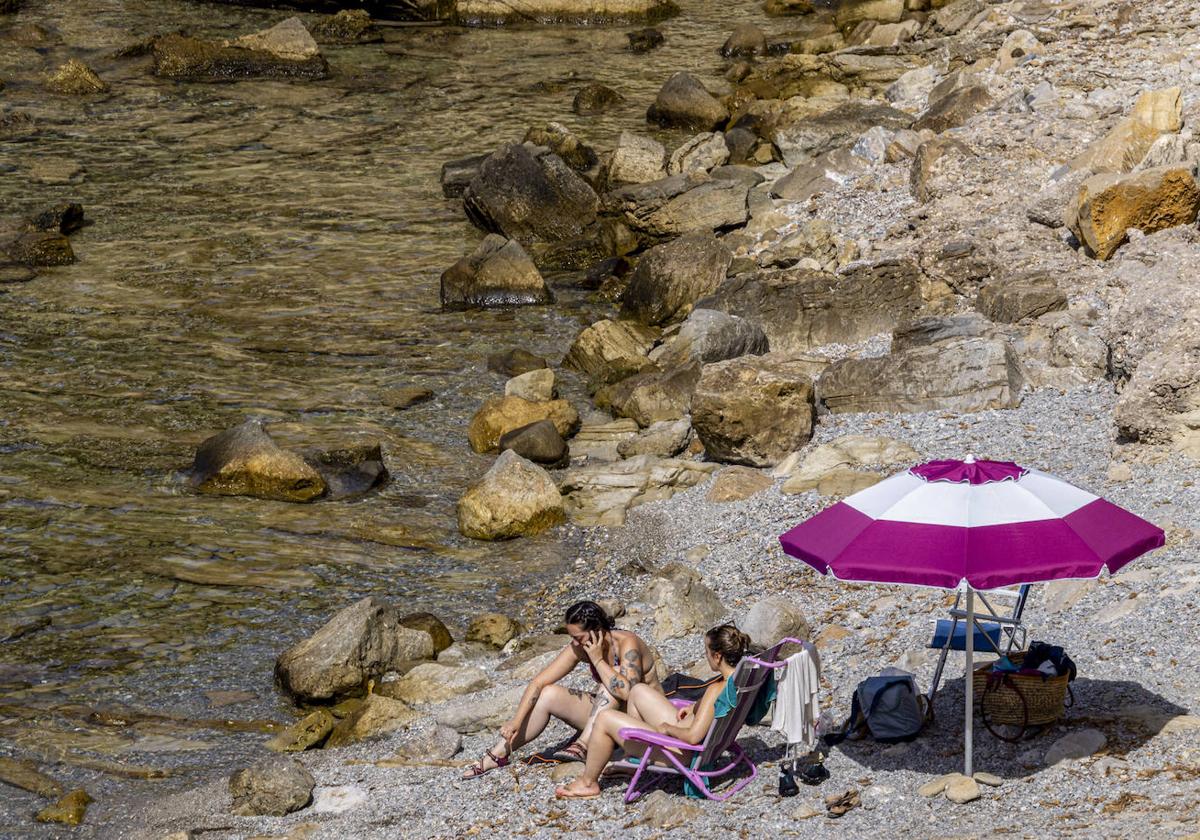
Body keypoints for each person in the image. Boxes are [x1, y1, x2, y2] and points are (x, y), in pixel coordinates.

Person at [461, 600, 660, 779]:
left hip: (644, 718)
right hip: (610, 716)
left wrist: (598, 660)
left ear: (598, 630)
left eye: (578, 637)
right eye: (571, 636)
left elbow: (628, 693)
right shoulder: (580, 647)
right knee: (548, 694)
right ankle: (497, 755)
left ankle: (582, 745)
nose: (575, 643)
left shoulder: (627, 643)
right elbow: (538, 683)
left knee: (611, 678)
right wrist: (516, 721)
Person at [554, 624, 753, 799]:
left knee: (605, 717)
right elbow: (710, 711)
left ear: (718, 656)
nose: (705, 656)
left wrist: (667, 729)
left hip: (682, 752)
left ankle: (588, 783)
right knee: (638, 690)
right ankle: (635, 757)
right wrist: (694, 706)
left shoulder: (715, 690)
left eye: (707, 652)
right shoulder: (739, 681)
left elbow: (692, 737)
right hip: (686, 742)